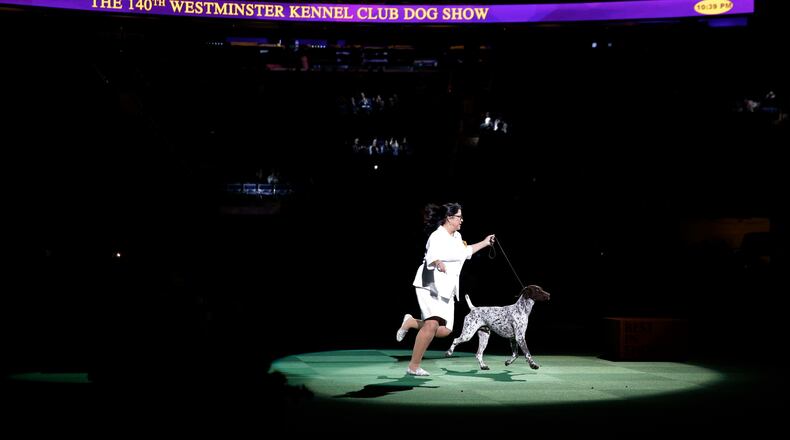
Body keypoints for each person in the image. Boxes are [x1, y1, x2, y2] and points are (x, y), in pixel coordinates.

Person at [396, 202, 495, 376]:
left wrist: (485, 242)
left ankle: (410, 322)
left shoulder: (457, 237)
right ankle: (413, 366)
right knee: (432, 324)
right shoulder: (437, 236)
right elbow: (431, 255)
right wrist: (438, 262)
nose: (461, 220)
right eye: (459, 217)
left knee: (444, 331)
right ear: (449, 218)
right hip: (430, 285)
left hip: (447, 289)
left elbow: (467, 252)